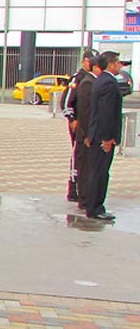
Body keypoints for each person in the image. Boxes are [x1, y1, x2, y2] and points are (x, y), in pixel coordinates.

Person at [84, 52, 124, 221]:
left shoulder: (101, 80)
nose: (120, 66)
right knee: (100, 173)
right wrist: (107, 138)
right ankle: (95, 208)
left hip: (97, 133)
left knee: (97, 172)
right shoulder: (108, 82)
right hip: (102, 136)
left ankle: (93, 206)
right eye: (118, 63)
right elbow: (106, 113)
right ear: (111, 64)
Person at [64, 50, 95, 204]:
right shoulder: (78, 78)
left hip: (87, 124)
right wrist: (72, 118)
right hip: (78, 124)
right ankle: (73, 188)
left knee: (85, 157)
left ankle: (83, 186)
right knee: (78, 155)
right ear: (84, 61)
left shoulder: (93, 78)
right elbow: (66, 101)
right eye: (90, 61)